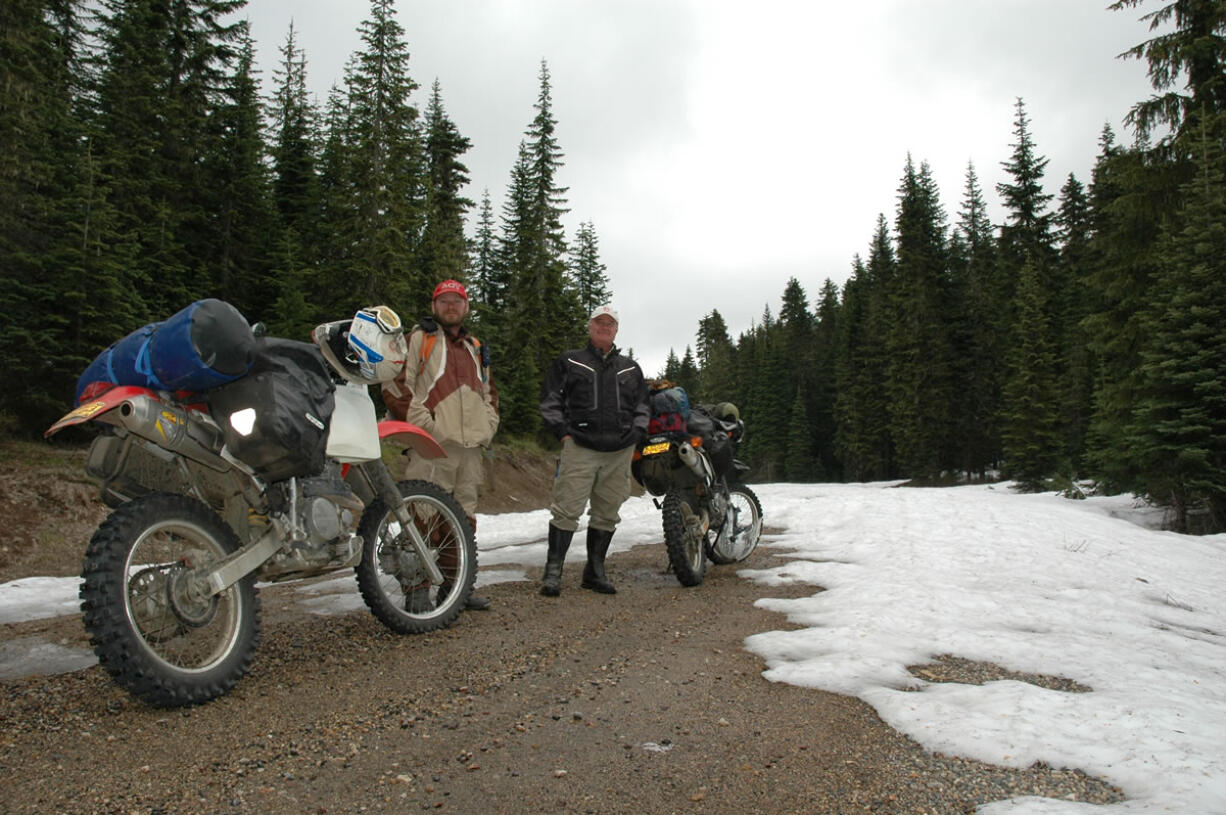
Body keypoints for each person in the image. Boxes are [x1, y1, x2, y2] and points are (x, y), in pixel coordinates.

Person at [383, 279, 498, 611]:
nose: (451, 306)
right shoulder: (420, 339)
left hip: (470, 450)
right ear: (434, 306)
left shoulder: (475, 347)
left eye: (457, 301)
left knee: (463, 520)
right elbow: (394, 384)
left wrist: (488, 426)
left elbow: (491, 393)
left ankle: (455, 590)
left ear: (466, 307)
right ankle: (416, 591)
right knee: (421, 516)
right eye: (444, 300)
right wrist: (426, 428)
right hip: (431, 448)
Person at [538, 304, 649, 596]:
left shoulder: (630, 368)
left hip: (620, 451)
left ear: (616, 330)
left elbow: (642, 406)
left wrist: (637, 432)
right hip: (580, 446)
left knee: (607, 511)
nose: (604, 327)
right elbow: (550, 399)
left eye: (609, 323)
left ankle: (594, 571)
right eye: (599, 322)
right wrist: (562, 433)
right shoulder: (571, 361)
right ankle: (553, 572)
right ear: (590, 326)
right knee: (566, 509)